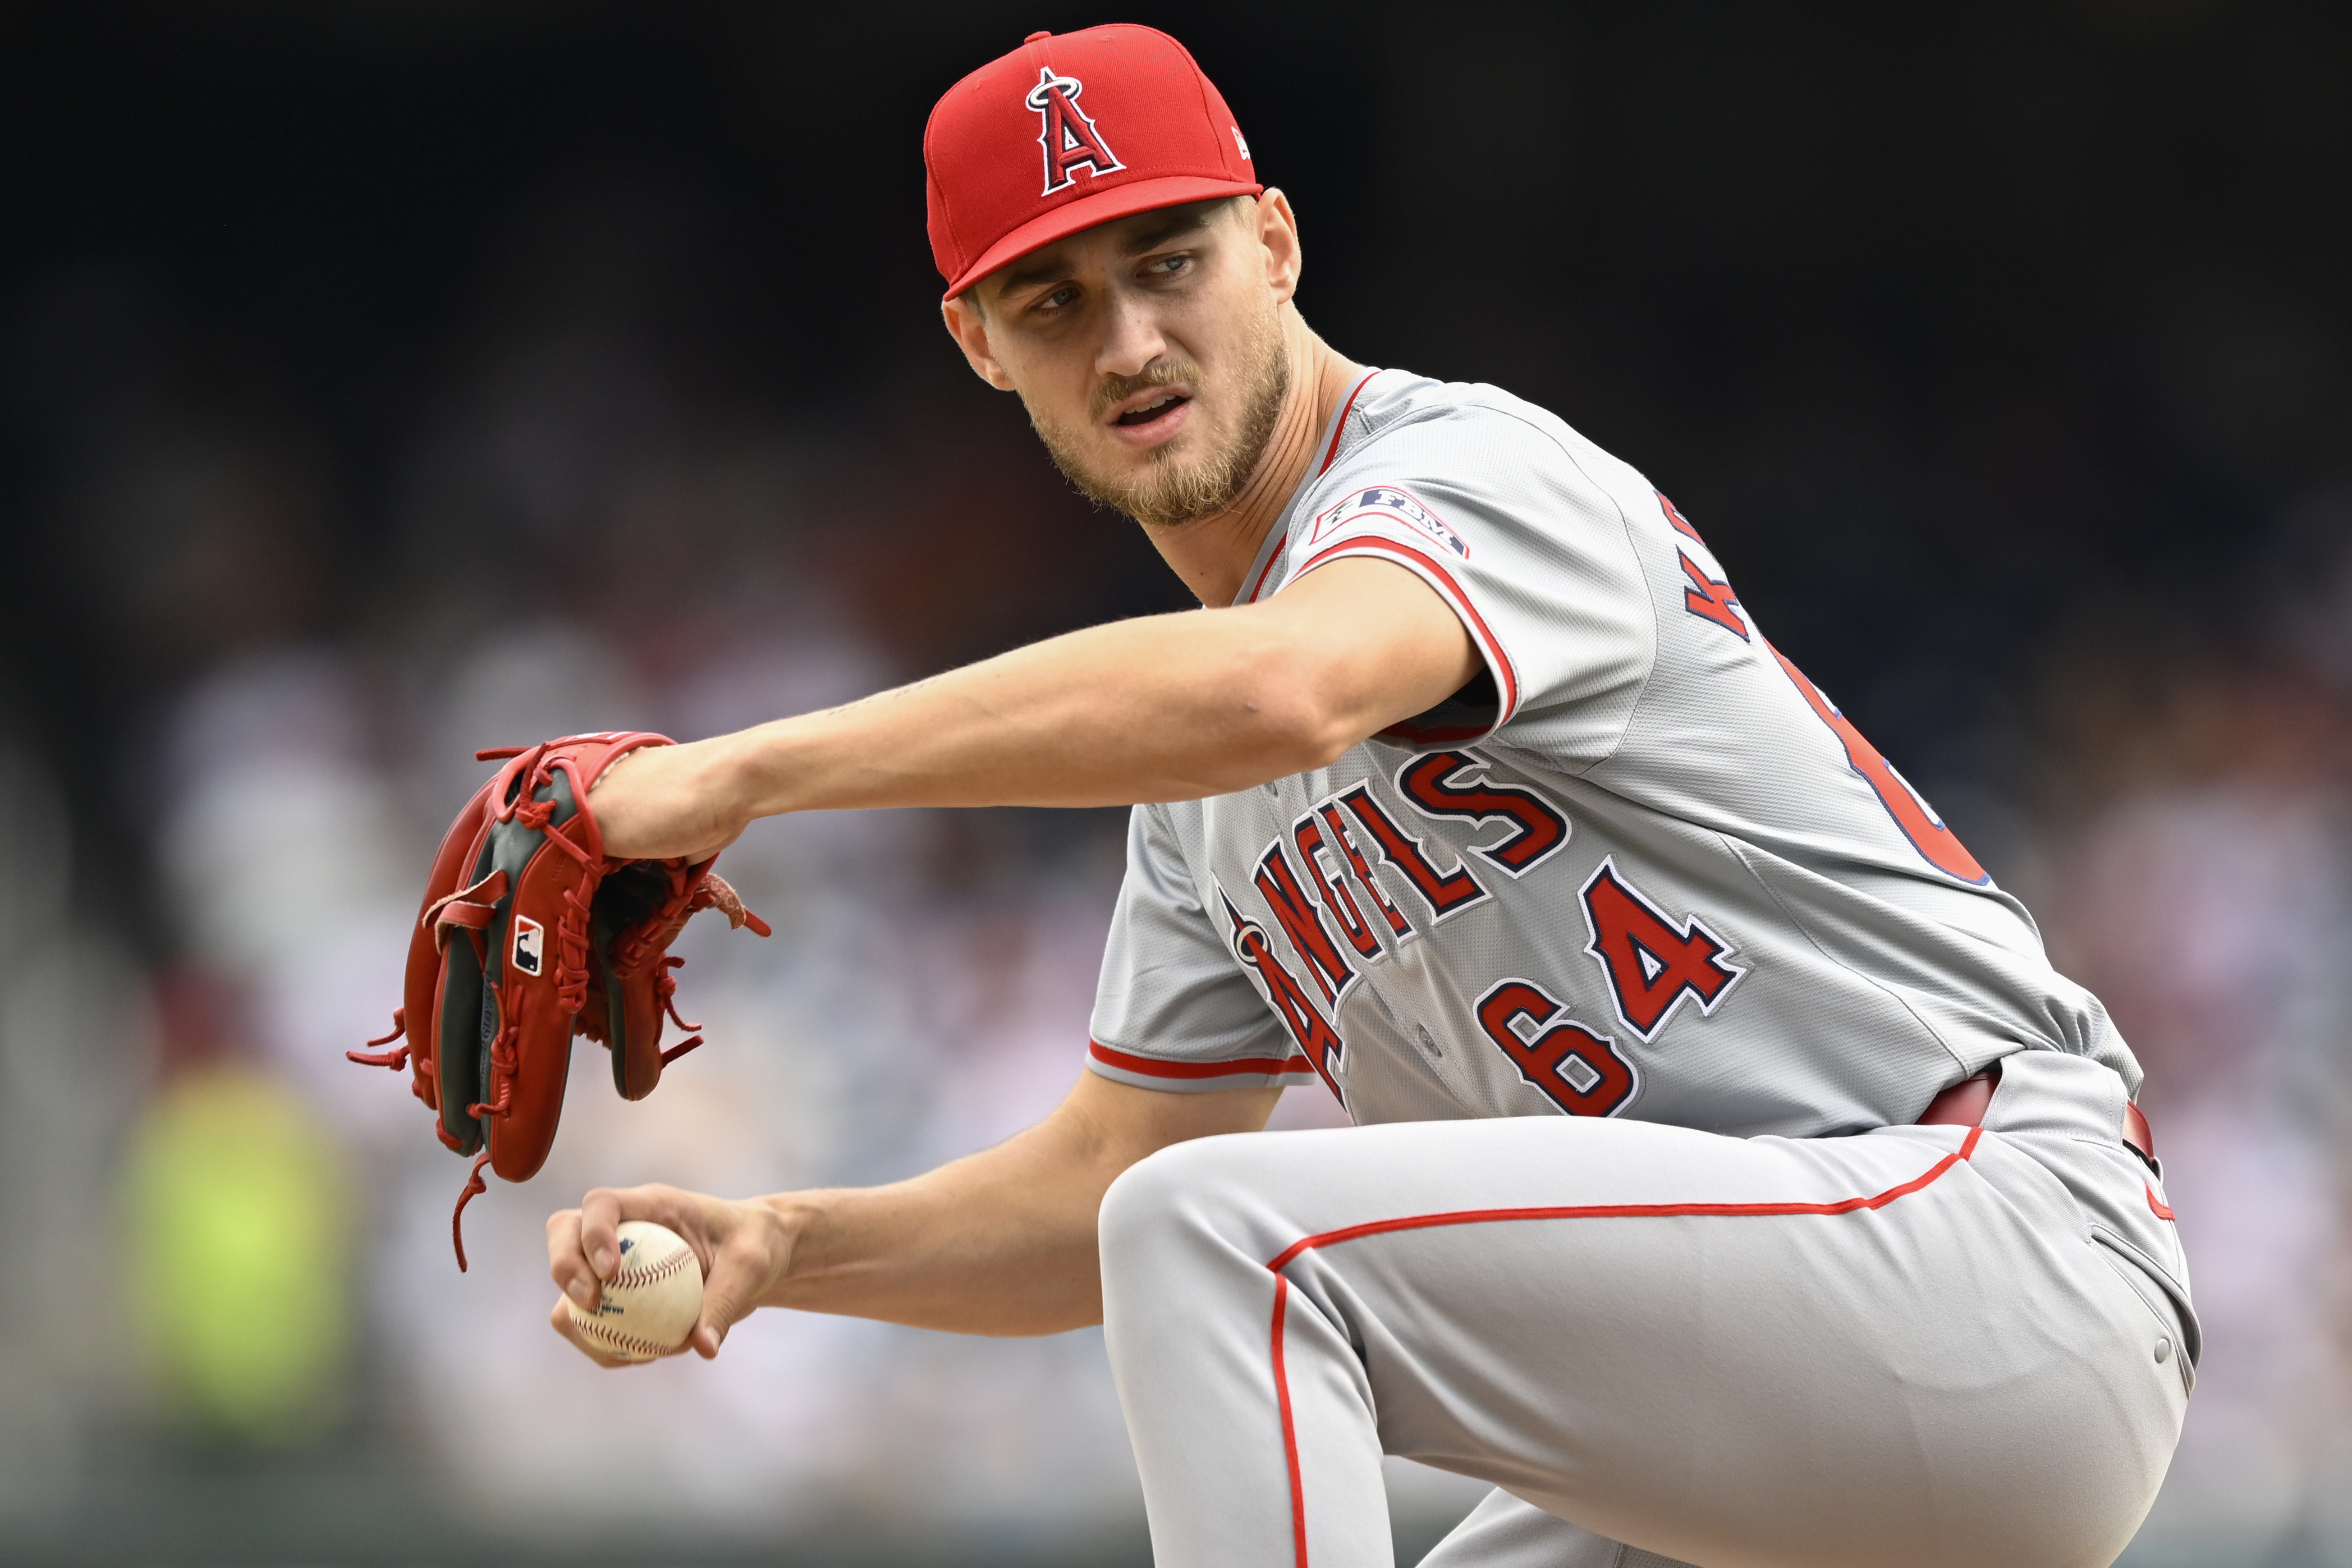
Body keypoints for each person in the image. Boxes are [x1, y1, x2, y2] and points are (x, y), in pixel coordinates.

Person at [545, 25, 2191, 1567]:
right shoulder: (1194, 799)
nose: (1129, 342)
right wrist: (791, 1243)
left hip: (1987, 1247)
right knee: (1178, 1214)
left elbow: (1284, 691)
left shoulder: (1467, 473)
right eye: (1052, 301)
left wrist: (738, 773)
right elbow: (1101, 1182)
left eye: (1168, 261)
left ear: (1273, 244)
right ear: (979, 344)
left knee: (1228, 1240)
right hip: (1747, 1368)